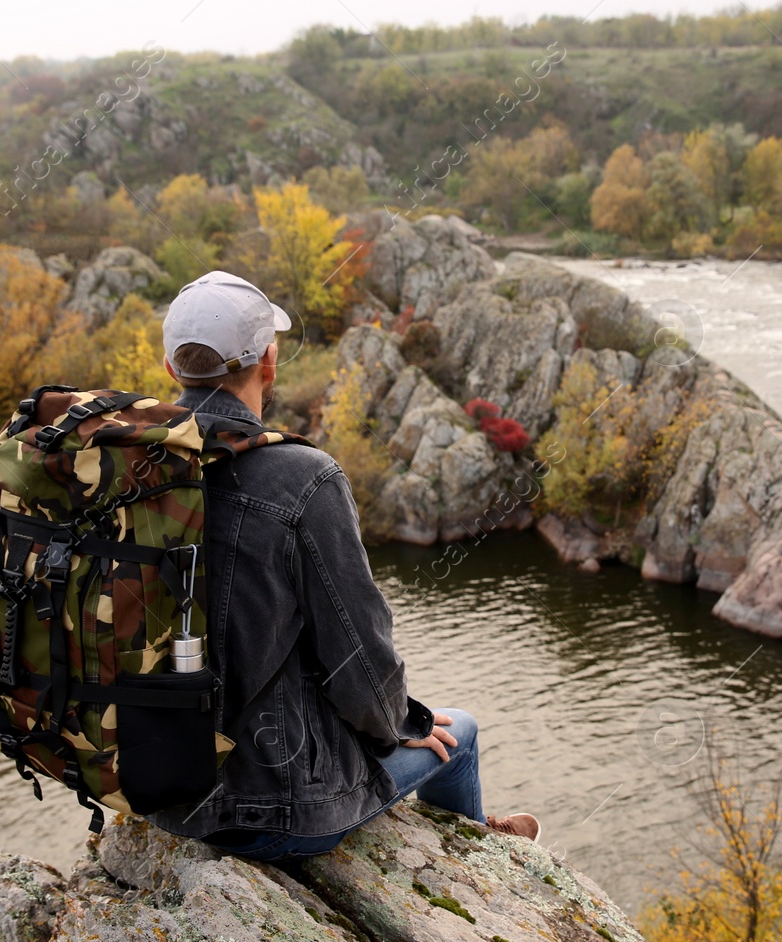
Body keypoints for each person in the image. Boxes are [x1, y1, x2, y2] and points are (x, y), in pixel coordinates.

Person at [144, 271, 539, 860]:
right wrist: (405, 722)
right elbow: (360, 660)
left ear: (174, 368)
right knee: (460, 730)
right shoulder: (303, 478)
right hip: (273, 810)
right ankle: (481, 851)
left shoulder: (135, 465)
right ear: (270, 361)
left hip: (157, 787)